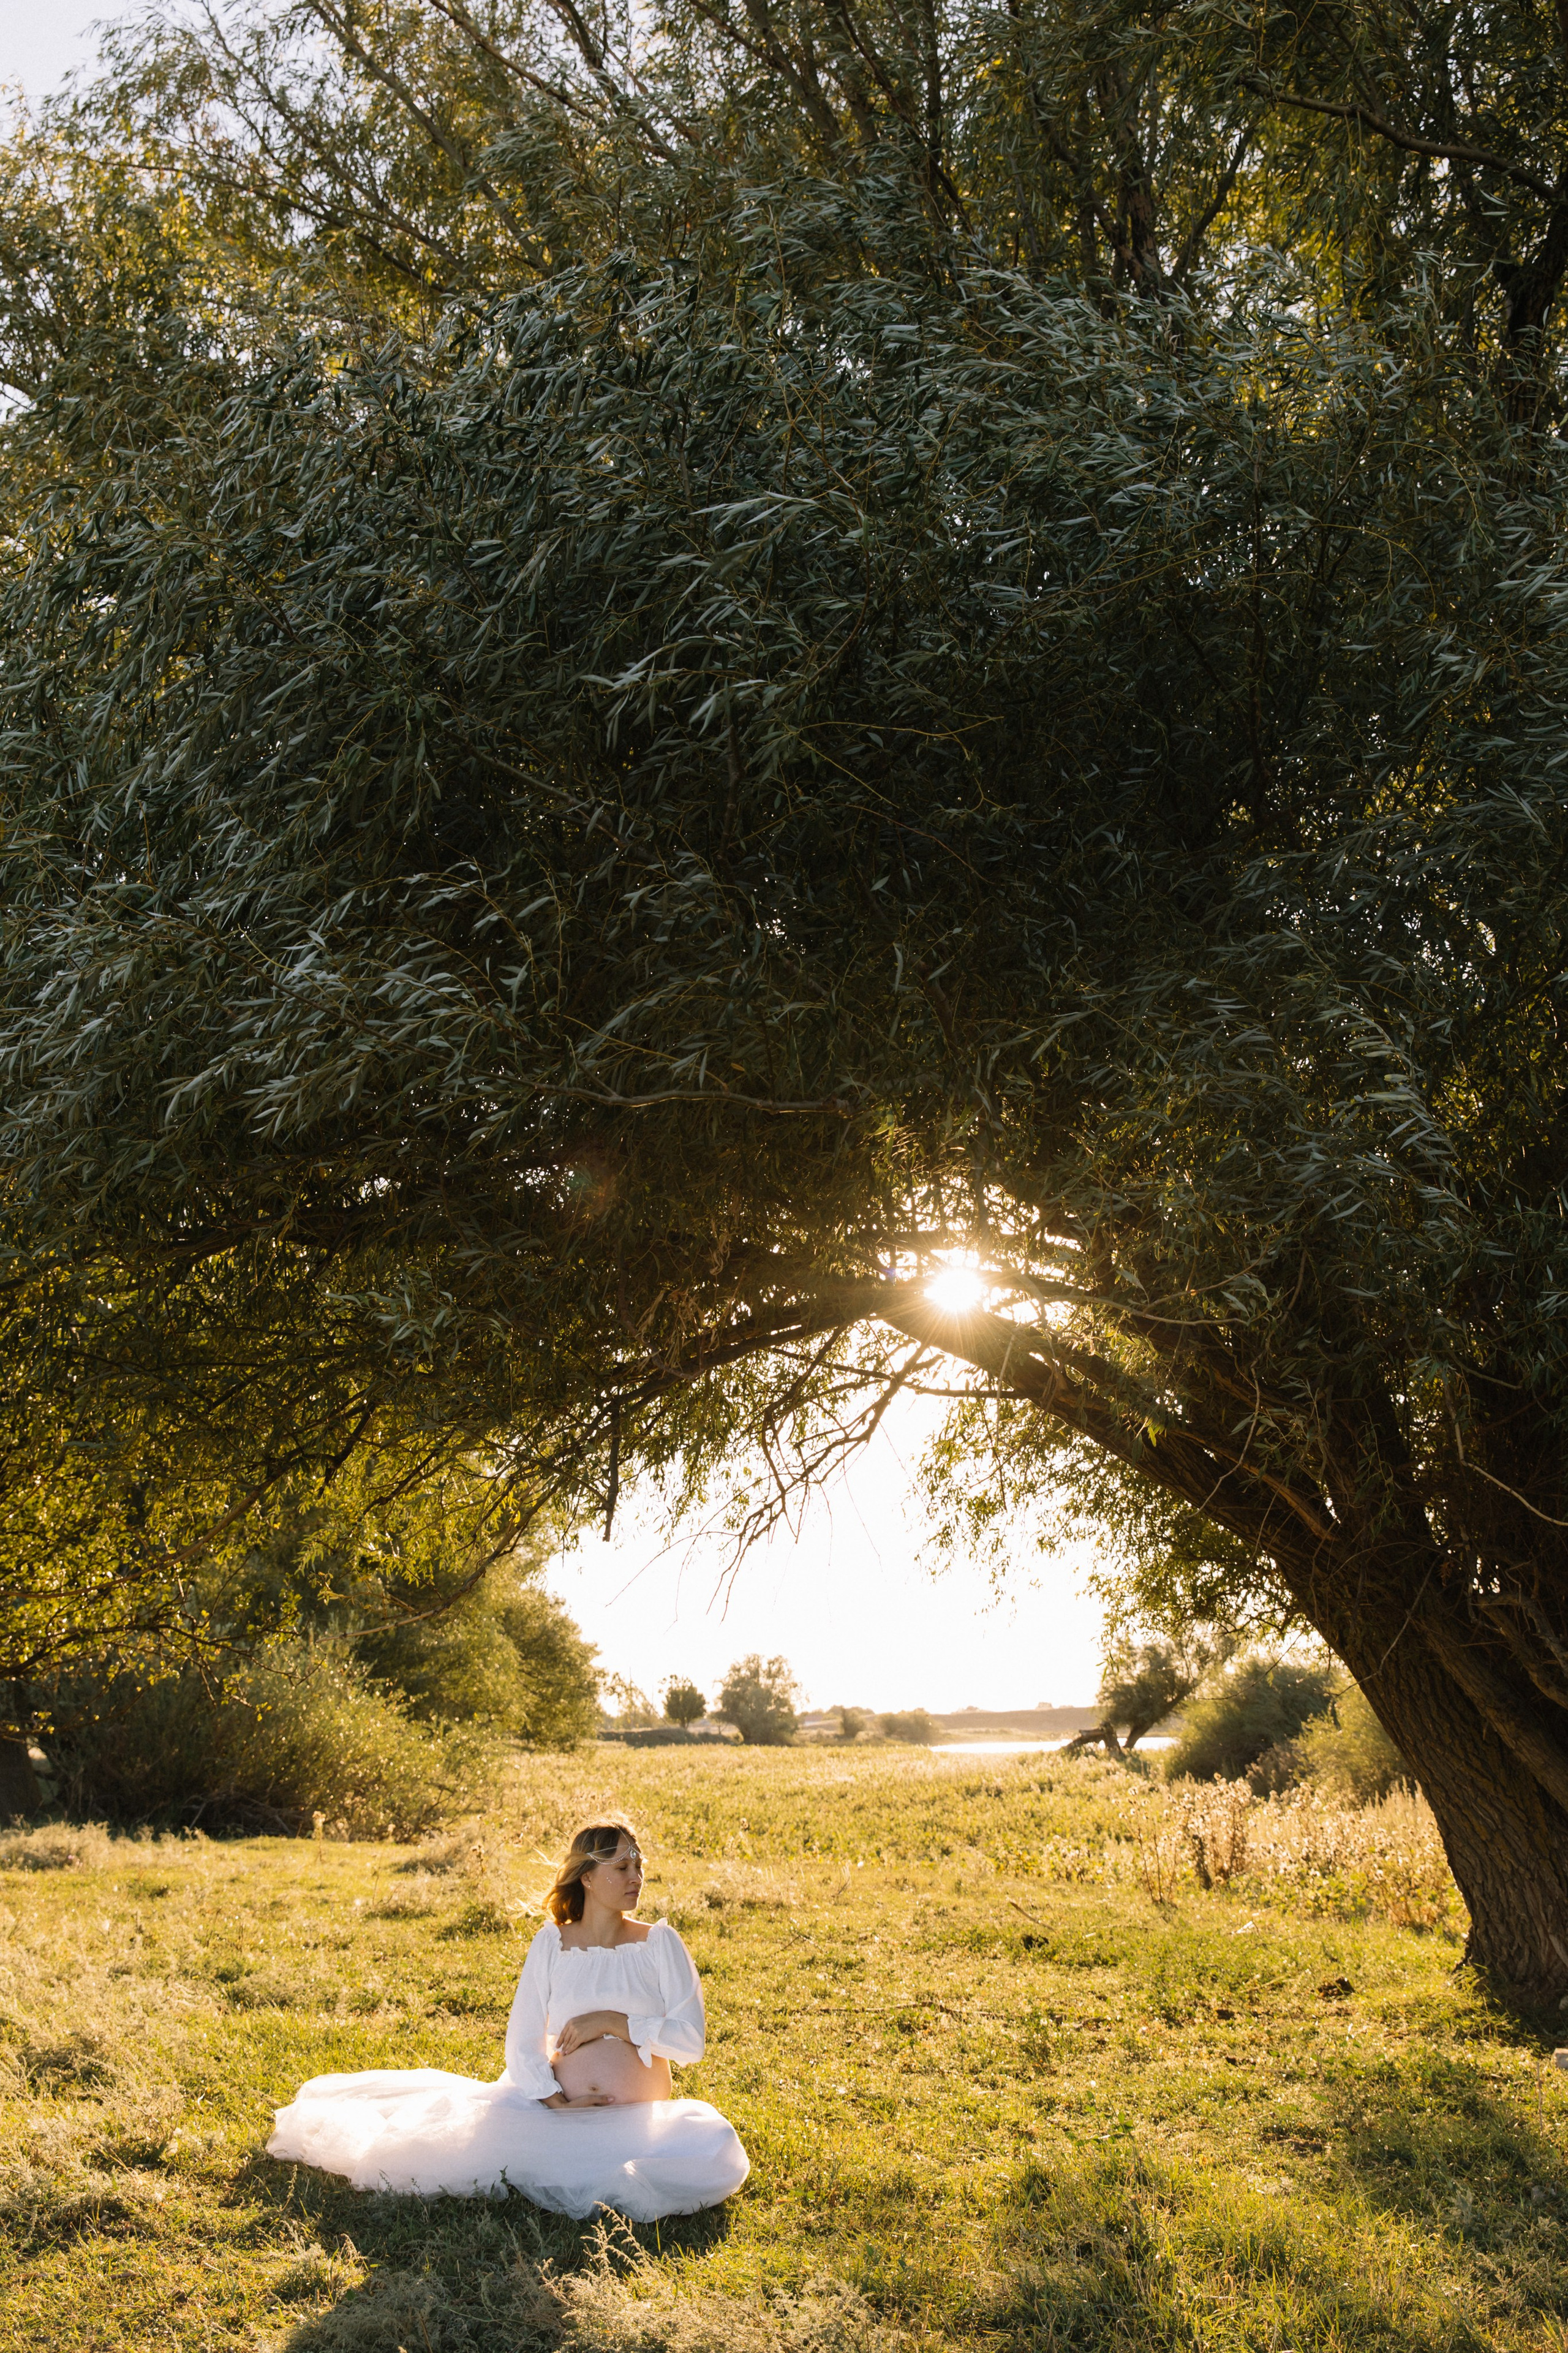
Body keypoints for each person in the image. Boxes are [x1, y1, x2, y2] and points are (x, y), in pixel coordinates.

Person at [266, 1821, 749, 2220]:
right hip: (558, 2117)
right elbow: (522, 2039)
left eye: (639, 1865)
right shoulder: (553, 1943)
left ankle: (595, 2158)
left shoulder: (659, 1943)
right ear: (585, 1876)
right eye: (622, 1865)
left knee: (717, 2146)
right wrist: (558, 2105)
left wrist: (614, 2020)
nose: (636, 1876)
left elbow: (690, 2041)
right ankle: (570, 2149)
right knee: (428, 2155)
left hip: (643, 2121)